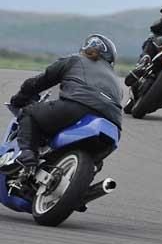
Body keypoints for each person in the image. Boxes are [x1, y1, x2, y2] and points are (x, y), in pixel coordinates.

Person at [6, 34, 123, 173]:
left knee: (29, 113)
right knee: (95, 164)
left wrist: (19, 99)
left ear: (86, 47)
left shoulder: (76, 59)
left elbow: (39, 81)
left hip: (77, 106)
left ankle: (26, 154)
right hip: (113, 125)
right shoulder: (117, 81)